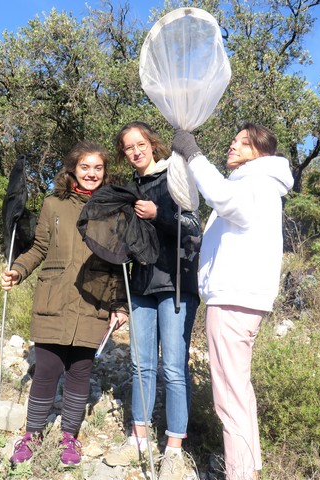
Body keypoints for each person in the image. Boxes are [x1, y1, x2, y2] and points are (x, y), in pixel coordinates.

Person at [172, 123, 294, 480]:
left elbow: (223, 199)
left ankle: (239, 474)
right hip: (243, 298)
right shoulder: (262, 185)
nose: (233, 145)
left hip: (233, 299)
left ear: (261, 153)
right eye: (234, 140)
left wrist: (193, 155)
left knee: (228, 395)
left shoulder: (254, 183)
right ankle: (249, 469)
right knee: (239, 390)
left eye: (244, 142)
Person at [0, 140, 128, 467]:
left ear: (104, 172)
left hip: (94, 300)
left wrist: (120, 304)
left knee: (80, 370)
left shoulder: (113, 208)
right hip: (54, 295)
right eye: (85, 167)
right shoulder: (53, 203)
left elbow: (119, 262)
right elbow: (39, 248)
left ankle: (70, 436)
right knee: (47, 369)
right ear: (73, 168)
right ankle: (32, 434)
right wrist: (17, 271)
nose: (91, 173)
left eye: (98, 168)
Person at [103, 121, 201, 479]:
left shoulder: (175, 174)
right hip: (142, 285)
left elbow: (193, 227)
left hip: (176, 284)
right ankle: (139, 439)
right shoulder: (129, 190)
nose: (135, 151)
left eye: (140, 143)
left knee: (174, 369)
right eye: (128, 147)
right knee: (141, 365)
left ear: (152, 144)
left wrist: (159, 214)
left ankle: (174, 449)